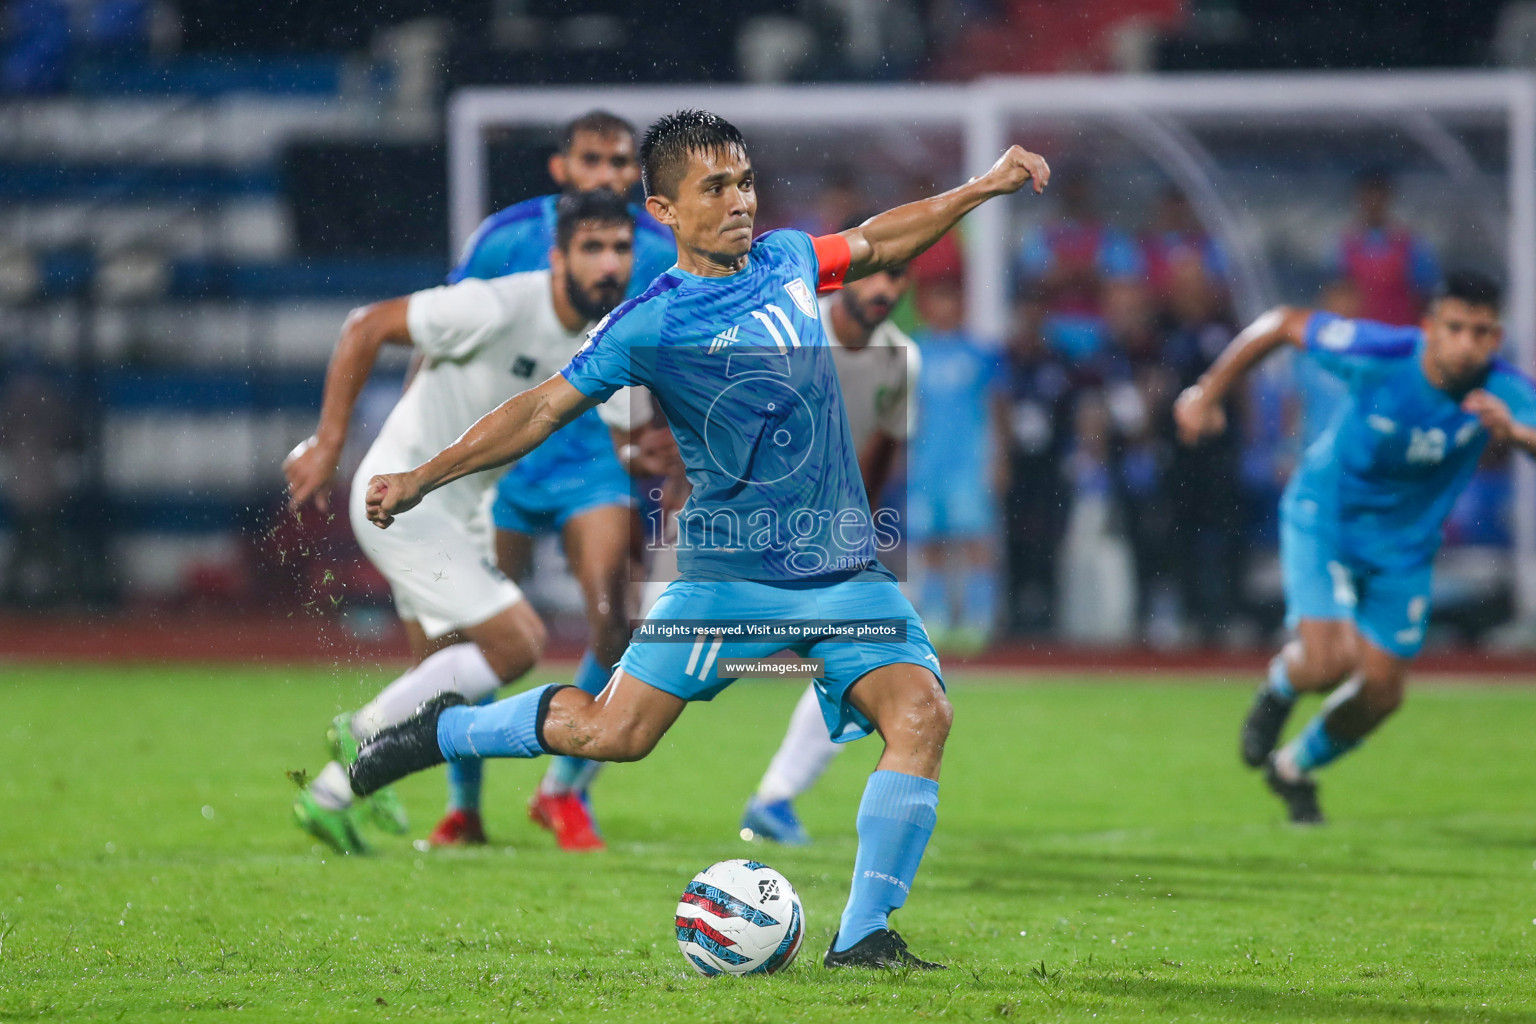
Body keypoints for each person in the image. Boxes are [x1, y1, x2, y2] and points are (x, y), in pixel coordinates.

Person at [295, 109, 1049, 970]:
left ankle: (864, 936)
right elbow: (542, 408)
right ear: (664, 210)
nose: (740, 202)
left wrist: (984, 186)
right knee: (614, 734)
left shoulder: (790, 259)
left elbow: (878, 240)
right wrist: (425, 476)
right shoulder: (649, 323)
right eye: (715, 187)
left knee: (922, 713)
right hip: (728, 582)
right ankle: (438, 735)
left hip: (845, 572)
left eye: (746, 182)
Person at [284, 190, 642, 852]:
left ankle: (345, 782)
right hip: (400, 500)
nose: (610, 264)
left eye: (621, 248)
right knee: (519, 644)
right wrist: (329, 444)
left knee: (446, 675)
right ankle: (360, 737)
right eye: (592, 247)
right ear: (559, 257)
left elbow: (638, 435)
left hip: (460, 515)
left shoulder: (606, 335)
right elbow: (367, 325)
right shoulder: (501, 303)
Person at [1173, 270, 1536, 824]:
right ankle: (1279, 685)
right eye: (1456, 328)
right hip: (1327, 521)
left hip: (1405, 552)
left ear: (1496, 338)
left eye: (1482, 332)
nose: (1467, 344)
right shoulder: (1381, 351)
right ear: (1430, 328)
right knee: (1329, 662)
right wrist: (1208, 391)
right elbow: (1282, 324)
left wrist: (1516, 436)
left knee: (1384, 695)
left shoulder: (1505, 392)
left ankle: (1292, 766)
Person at [441, 110, 677, 851]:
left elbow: (680, 346)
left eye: (619, 163)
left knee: (617, 619)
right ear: (560, 167)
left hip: (590, 459)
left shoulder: (656, 246)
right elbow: (442, 334)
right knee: (473, 637)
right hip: (502, 460)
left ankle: (562, 790)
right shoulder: (504, 237)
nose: (607, 176)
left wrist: (655, 429)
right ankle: (463, 807)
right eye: (593, 161)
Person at [739, 216, 920, 846]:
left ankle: (775, 798)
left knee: (868, 656)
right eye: (876, 274)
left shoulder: (902, 359)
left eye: (897, 276)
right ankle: (566, 779)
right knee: (648, 681)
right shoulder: (796, 337)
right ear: (844, 277)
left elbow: (881, 452)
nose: (885, 289)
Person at [907, 249, 1005, 653]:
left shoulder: (981, 354)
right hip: (927, 464)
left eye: (953, 298)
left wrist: (1000, 459)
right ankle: (936, 619)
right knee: (928, 545)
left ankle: (979, 620)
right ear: (926, 306)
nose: (946, 307)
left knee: (975, 541)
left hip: (969, 463)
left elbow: (997, 410)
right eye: (938, 299)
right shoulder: (913, 352)